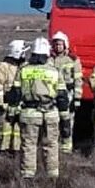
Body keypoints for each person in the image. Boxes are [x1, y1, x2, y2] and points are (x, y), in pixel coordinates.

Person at [8, 37, 66, 178]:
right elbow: (62, 96)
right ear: (47, 53)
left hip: (29, 113)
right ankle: (52, 177)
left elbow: (15, 95)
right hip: (51, 113)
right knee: (51, 145)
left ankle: (27, 176)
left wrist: (12, 114)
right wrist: (65, 119)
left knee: (29, 145)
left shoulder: (23, 70)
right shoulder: (54, 71)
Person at [0, 40, 27, 154]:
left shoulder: (25, 66)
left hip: (20, 103)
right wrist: (0, 103)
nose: (24, 55)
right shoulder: (4, 66)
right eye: (22, 52)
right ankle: (3, 149)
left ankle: (16, 149)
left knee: (18, 128)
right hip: (6, 103)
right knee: (4, 127)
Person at [49, 32, 83, 154]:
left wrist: (77, 98)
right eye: (56, 44)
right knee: (53, 121)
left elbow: (78, 80)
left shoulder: (73, 60)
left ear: (65, 45)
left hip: (68, 94)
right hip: (52, 94)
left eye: (60, 44)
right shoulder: (49, 59)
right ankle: (54, 147)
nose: (58, 47)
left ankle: (66, 148)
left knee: (67, 121)